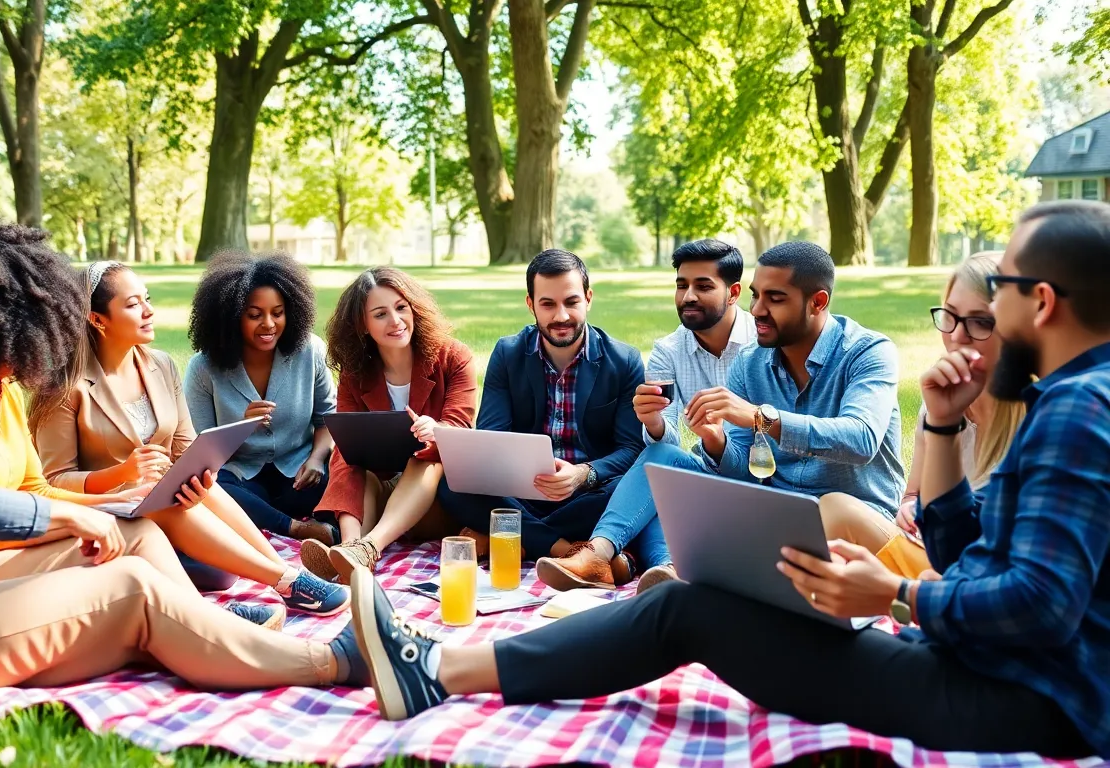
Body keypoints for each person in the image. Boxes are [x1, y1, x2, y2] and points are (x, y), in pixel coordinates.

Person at [347, 200, 1110, 759]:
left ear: (1039, 302)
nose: (970, 324)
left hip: (1018, 699)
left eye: (999, 289)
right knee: (693, 599)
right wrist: (940, 425)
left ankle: (438, 669)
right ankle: (439, 665)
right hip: (989, 668)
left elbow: (1039, 609)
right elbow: (969, 554)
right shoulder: (1072, 398)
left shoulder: (1079, 410)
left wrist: (896, 595)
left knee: (687, 612)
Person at [0, 216, 370, 697]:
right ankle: (332, 660)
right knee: (133, 588)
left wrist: (109, 504)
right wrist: (75, 514)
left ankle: (221, 620)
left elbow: (25, 485)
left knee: (136, 547)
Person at [584, 241, 905, 595]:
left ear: (818, 302)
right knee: (662, 462)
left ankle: (688, 570)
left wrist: (760, 417)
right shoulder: (751, 363)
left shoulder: (868, 352)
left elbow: (861, 439)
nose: (758, 310)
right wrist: (715, 440)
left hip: (851, 521)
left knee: (829, 508)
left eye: (776, 298)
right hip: (774, 514)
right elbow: (745, 474)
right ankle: (597, 556)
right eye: (756, 296)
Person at [33, 260, 348, 615]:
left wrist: (199, 477)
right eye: (133, 304)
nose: (149, 310)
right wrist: (122, 474)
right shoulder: (64, 387)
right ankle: (286, 581)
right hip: (107, 508)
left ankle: (281, 569)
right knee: (180, 514)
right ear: (97, 319)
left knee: (219, 550)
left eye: (147, 298)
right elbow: (52, 481)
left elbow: (186, 449)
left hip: (161, 500)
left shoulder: (161, 365)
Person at [535, 238, 755, 592]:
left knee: (655, 485)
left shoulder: (761, 347)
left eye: (703, 286)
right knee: (657, 462)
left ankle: (651, 564)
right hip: (704, 480)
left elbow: (760, 451)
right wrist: (653, 423)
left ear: (733, 293)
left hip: (756, 482)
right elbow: (665, 438)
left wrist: (715, 438)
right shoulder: (669, 350)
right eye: (681, 285)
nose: (688, 297)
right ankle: (631, 562)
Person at [434, 249, 644, 578]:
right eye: (548, 304)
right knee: (450, 485)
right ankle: (564, 549)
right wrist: (522, 477)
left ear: (588, 299)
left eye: (571, 302)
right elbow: (492, 438)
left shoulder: (625, 361)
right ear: (531, 304)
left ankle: (508, 537)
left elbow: (632, 449)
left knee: (632, 491)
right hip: (521, 493)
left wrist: (582, 474)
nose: (561, 316)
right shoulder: (507, 353)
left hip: (588, 494)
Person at [823, 252, 1025, 578]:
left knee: (841, 523)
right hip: (934, 552)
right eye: (950, 316)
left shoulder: (1040, 417)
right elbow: (913, 494)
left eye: (981, 321)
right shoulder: (940, 399)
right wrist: (908, 509)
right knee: (834, 509)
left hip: (985, 575)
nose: (957, 336)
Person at [301, 267, 477, 581]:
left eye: (401, 308)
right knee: (352, 459)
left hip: (436, 501)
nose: (395, 321)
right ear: (362, 325)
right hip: (382, 500)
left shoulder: (453, 357)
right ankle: (352, 551)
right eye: (380, 314)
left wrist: (437, 430)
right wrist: (349, 537)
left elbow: (461, 427)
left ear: (414, 310)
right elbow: (345, 452)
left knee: (425, 457)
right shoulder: (356, 374)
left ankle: (368, 547)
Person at [184, 252, 339, 546]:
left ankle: (275, 522)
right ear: (230, 317)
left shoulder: (310, 352)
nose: (268, 324)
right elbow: (201, 452)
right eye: (254, 315)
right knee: (209, 488)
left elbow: (327, 418)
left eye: (277, 313)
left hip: (301, 475)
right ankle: (296, 528)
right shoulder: (203, 368)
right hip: (241, 480)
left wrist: (317, 459)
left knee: (345, 471)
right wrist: (242, 426)